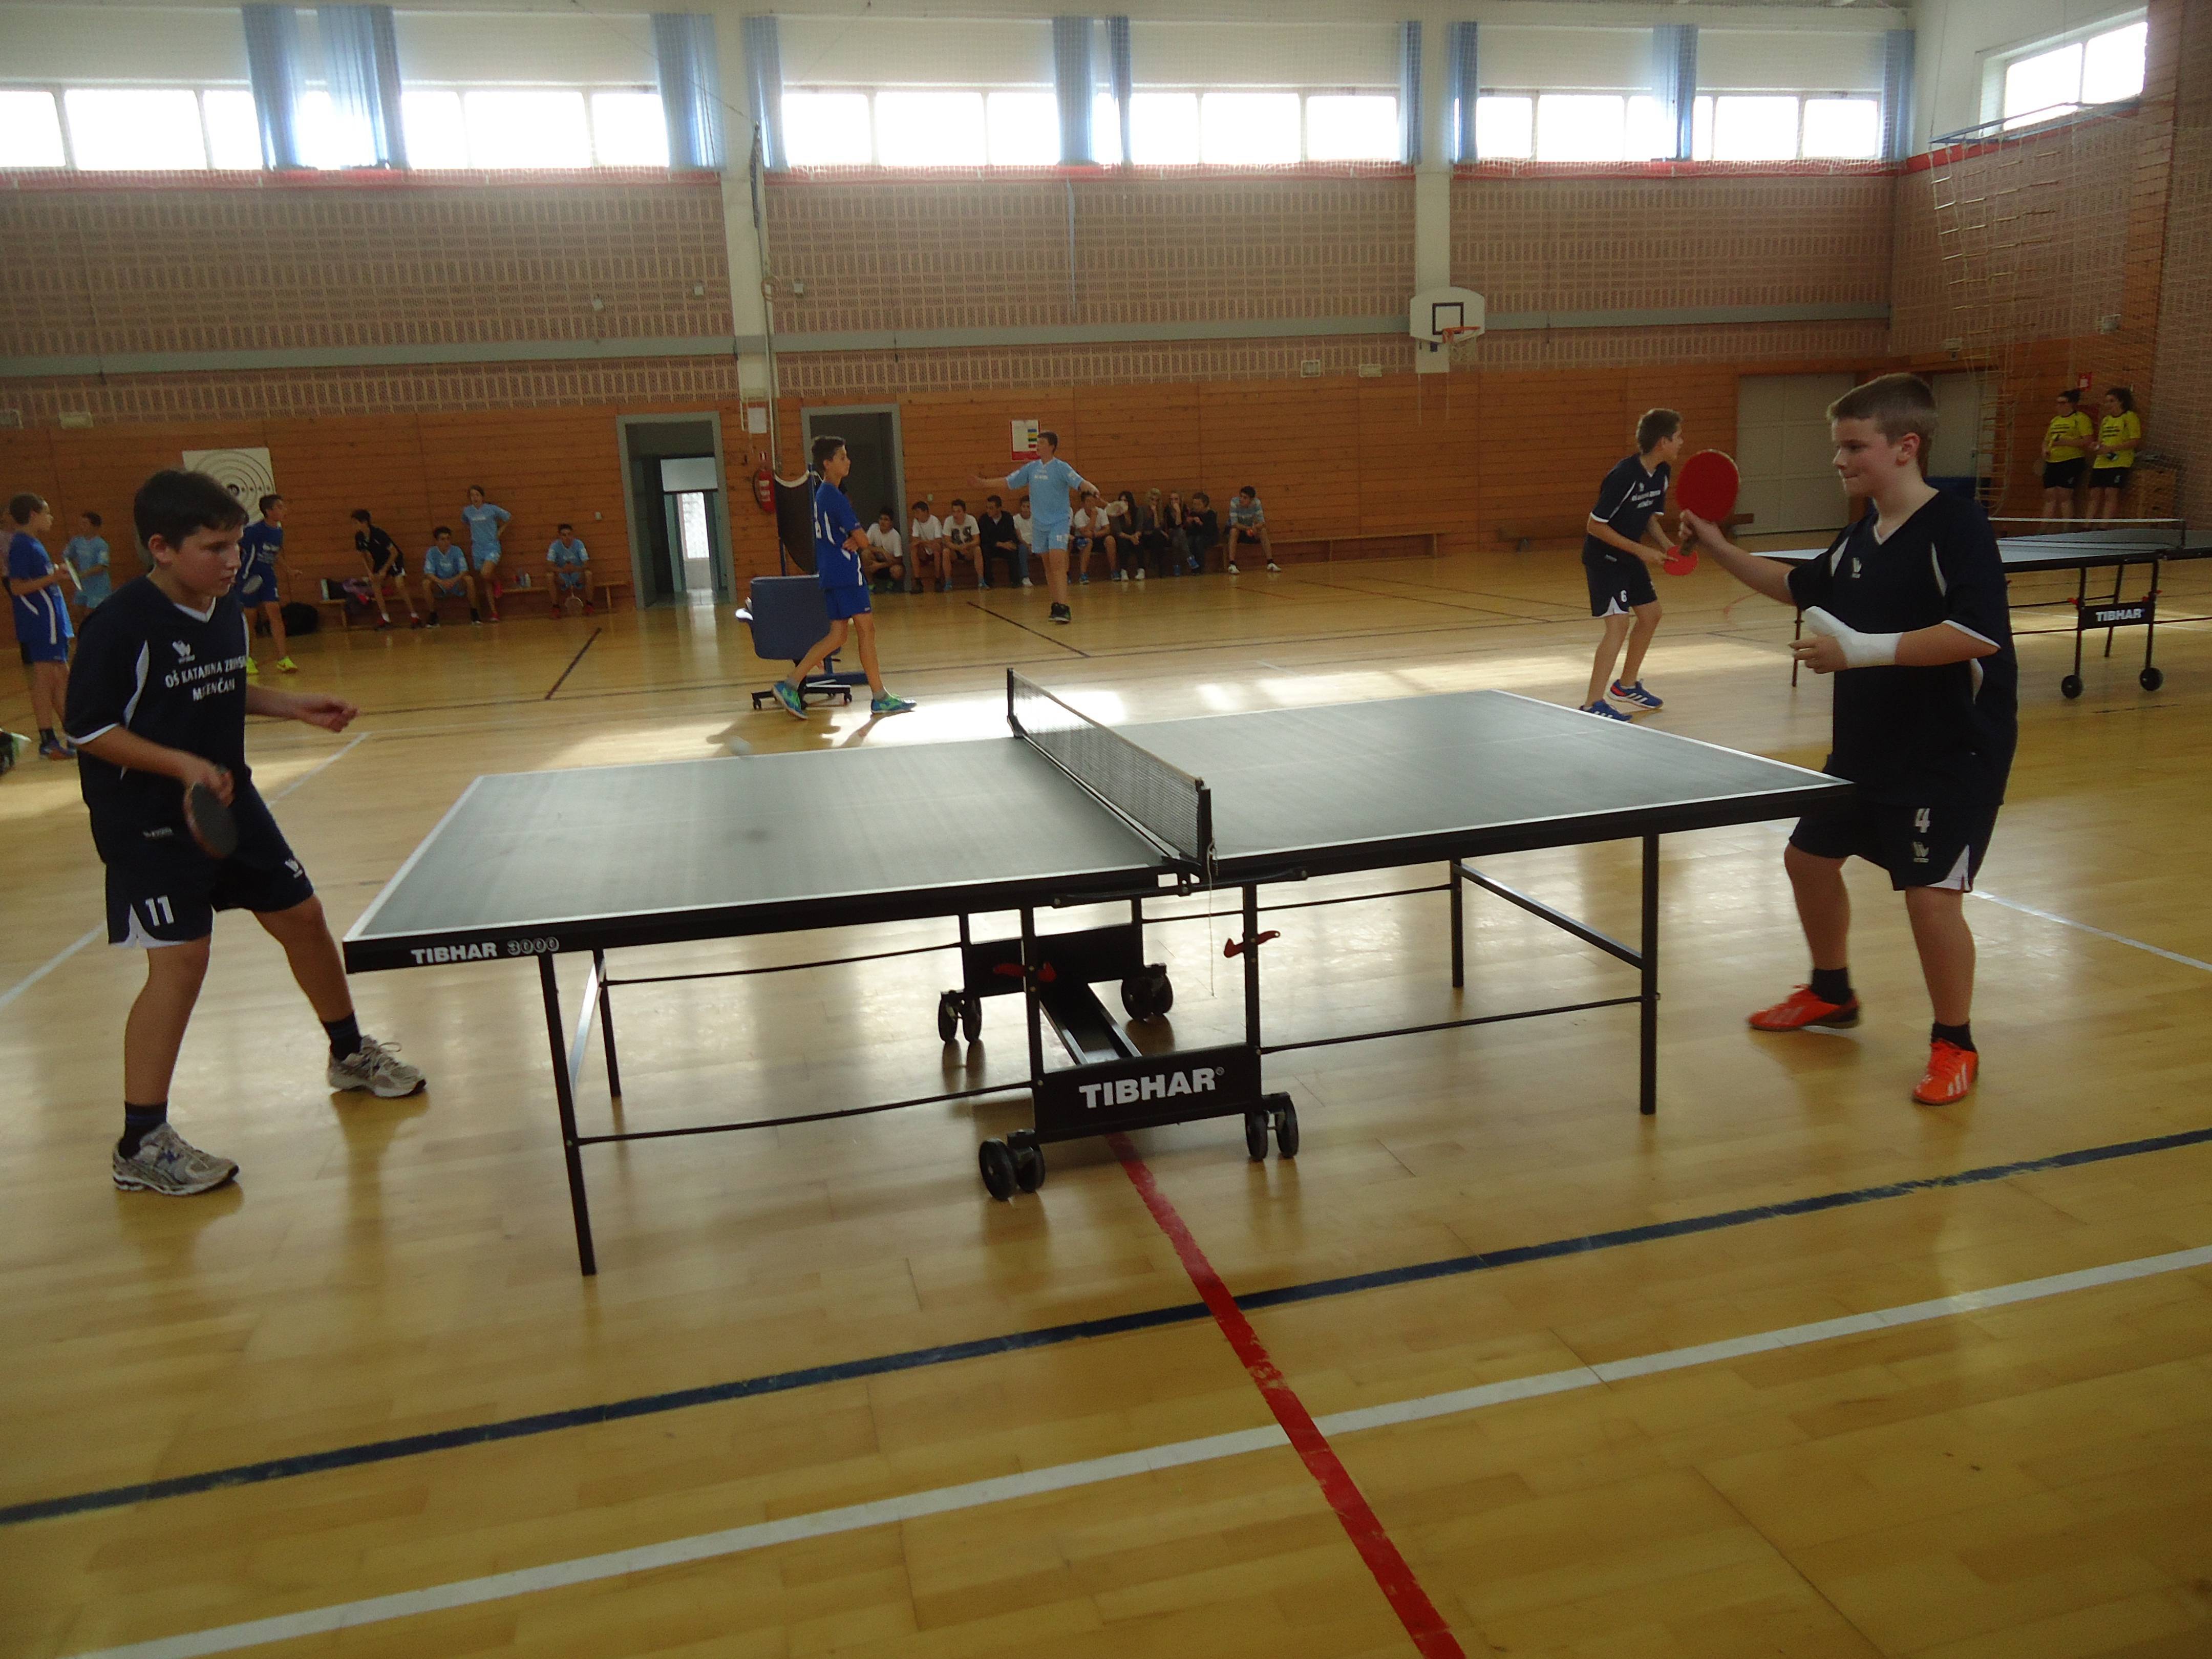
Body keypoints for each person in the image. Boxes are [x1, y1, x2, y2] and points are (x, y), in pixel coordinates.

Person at [66, 469, 425, 1197]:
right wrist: (182, 766)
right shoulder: (122, 624)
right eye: (215, 548)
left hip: (228, 797)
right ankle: (141, 1143)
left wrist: (291, 705)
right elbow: (90, 729)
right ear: (162, 548)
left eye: (236, 545)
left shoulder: (222, 606)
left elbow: (220, 683)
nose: (234, 560)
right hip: (148, 819)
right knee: (182, 962)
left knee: (304, 917)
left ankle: (348, 1053)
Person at [1682, 373, 2013, 1109]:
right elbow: (1801, 588)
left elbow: (1976, 635)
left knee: (1930, 899)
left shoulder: (1956, 527)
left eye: (1854, 446)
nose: (1840, 460)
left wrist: (1859, 651)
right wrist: (1717, 544)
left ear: (1906, 446)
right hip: (1868, 744)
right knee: (1807, 859)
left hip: (1949, 750)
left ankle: (1955, 1043)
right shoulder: (1865, 533)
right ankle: (1832, 992)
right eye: (1839, 447)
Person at [770, 436, 915, 719]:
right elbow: (863, 540)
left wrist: (854, 539)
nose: (848, 462)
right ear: (827, 463)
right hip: (846, 572)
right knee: (866, 630)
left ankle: (790, 685)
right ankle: (880, 697)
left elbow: (854, 538)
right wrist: (856, 540)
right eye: (842, 457)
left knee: (838, 635)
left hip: (830, 571)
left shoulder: (821, 494)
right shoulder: (835, 497)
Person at [1578, 409, 1683, 720]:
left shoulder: (1662, 473)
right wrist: (1641, 551)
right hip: (1604, 558)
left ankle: (1625, 686)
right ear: (1663, 442)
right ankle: (1593, 703)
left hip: (1630, 555)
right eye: (1678, 437)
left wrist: (1666, 546)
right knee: (1618, 625)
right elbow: (1595, 526)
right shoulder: (1624, 475)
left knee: (1651, 615)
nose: (1682, 443)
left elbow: (1648, 517)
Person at [980, 430, 1094, 626]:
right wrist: (984, 483)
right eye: (1038, 442)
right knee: (1048, 566)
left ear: (1051, 446)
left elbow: (1081, 482)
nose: (1037, 446)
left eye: (1041, 442)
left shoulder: (1062, 467)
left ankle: (1064, 607)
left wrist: (1091, 488)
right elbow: (1008, 482)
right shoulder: (1031, 468)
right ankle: (1056, 605)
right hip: (1040, 524)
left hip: (1059, 522)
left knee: (1058, 562)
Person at [8, 493, 74, 760]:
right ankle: (48, 740)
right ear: (33, 515)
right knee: (46, 680)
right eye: (46, 513)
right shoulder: (22, 545)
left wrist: (53, 574)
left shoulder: (33, 544)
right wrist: (53, 577)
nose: (51, 518)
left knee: (61, 678)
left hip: (52, 620)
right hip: (41, 621)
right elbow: (17, 587)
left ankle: (74, 735)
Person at [237, 494, 296, 675]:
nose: (284, 510)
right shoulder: (254, 531)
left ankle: (283, 659)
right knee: (251, 617)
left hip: (268, 577)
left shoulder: (278, 532)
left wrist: (289, 570)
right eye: (280, 507)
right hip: (249, 576)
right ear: (269, 512)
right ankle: (247, 658)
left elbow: (275, 554)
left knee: (275, 613)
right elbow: (237, 546)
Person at [350, 509, 419, 629]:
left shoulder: (379, 534)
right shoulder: (359, 537)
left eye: (356, 523)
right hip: (379, 561)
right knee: (375, 585)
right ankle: (386, 618)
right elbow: (363, 555)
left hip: (393, 560)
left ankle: (415, 617)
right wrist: (369, 572)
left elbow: (394, 552)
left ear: (365, 522)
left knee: (400, 586)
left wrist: (384, 571)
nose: (354, 526)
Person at [2086, 386, 2141, 522]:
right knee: (2094, 494)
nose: (2108, 404)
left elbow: (2135, 441)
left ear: (2121, 402)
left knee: (2110, 493)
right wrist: (2096, 446)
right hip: (2101, 462)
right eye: (2107, 402)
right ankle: (2087, 525)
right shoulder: (2106, 420)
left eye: (2112, 401)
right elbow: (2102, 440)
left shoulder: (2130, 417)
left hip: (2119, 461)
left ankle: (2104, 526)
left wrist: (2111, 449)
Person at [2039, 389, 2094, 522]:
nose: (2059, 406)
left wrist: (2066, 442)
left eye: (2063, 403)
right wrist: (2045, 450)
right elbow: (2046, 441)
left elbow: (2088, 441)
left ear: (2072, 404)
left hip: (2071, 461)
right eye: (2057, 403)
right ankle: (2043, 529)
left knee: (2064, 495)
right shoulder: (2055, 421)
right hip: (2052, 462)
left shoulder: (2081, 418)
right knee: (2050, 495)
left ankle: (2067, 528)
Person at [461, 485, 511, 613]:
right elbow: (465, 522)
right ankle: (494, 612)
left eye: (477, 495)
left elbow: (508, 517)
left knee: (486, 573)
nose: (475, 498)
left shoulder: (492, 509)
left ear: (482, 497)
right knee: (485, 581)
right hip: (477, 548)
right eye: (472, 495)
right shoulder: (467, 511)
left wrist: (500, 531)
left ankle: (497, 581)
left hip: (492, 546)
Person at [418, 526, 480, 625]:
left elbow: (464, 570)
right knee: (426, 583)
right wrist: (441, 582)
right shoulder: (432, 552)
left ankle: (474, 612)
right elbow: (428, 573)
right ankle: (433, 615)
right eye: (443, 539)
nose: (446, 542)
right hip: (440, 584)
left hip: (456, 583)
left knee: (469, 580)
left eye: (448, 539)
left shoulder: (457, 550)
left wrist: (453, 580)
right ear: (437, 541)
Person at [64, 511, 113, 620]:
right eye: (80, 524)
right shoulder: (76, 542)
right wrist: (73, 571)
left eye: (85, 524)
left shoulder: (101, 544)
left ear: (95, 526)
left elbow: (102, 566)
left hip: (98, 587)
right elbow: (67, 557)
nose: (81, 527)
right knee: (77, 613)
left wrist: (82, 574)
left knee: (91, 616)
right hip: (82, 586)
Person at [1224, 486, 1278, 573]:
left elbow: (1262, 522)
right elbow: (1234, 524)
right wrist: (1249, 528)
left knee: (1263, 531)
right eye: (1241, 496)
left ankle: (1270, 562)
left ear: (1251, 500)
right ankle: (1232, 564)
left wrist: (1255, 528)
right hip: (1238, 529)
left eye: (1245, 498)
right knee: (1234, 531)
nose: (1241, 499)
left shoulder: (1257, 503)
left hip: (1250, 529)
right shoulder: (1234, 502)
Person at [977, 495, 1026, 589]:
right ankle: (988, 581)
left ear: (999, 508)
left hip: (1005, 547)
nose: (988, 510)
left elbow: (1011, 534)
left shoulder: (1007, 517)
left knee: (1013, 551)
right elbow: (984, 538)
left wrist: (1012, 544)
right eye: (987, 508)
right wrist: (999, 544)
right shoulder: (984, 519)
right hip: (991, 547)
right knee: (985, 551)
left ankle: (1015, 581)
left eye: (991, 508)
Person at [1070, 488, 1114, 586]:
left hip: (1098, 537)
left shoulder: (1101, 512)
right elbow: (1085, 533)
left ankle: (1114, 571)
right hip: (1081, 541)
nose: (1091, 504)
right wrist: (1094, 517)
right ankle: (1083, 575)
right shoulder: (1079, 515)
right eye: (1088, 501)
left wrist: (1095, 534)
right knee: (1088, 542)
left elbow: (1107, 529)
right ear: (1083, 504)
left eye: (1093, 501)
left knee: (1110, 540)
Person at [546, 522, 591, 614]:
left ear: (573, 535)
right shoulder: (554, 546)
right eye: (564, 535)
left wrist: (575, 568)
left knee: (589, 574)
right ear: (560, 536)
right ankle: (556, 607)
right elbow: (549, 566)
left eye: (569, 534)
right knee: (549, 576)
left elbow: (587, 564)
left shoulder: (579, 544)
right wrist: (563, 570)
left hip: (577, 574)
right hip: (563, 576)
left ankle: (590, 605)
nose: (567, 537)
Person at [941, 499, 984, 590]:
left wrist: (967, 546)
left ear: (964, 512)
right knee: (945, 552)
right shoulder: (949, 521)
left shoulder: (971, 520)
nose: (956, 515)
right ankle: (948, 583)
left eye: (959, 512)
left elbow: (977, 540)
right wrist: (958, 548)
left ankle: (981, 581)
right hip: (955, 551)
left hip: (968, 550)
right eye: (954, 512)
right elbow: (947, 542)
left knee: (978, 549)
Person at [905, 500, 942, 594]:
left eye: (917, 513)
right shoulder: (916, 522)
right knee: (914, 550)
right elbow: (915, 540)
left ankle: (938, 580)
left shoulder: (934, 521)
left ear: (925, 512)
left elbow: (938, 540)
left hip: (934, 549)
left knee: (937, 548)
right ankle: (918, 582)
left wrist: (921, 542)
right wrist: (926, 543)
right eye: (915, 513)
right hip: (924, 550)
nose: (916, 516)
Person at [863, 511, 905, 592]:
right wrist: (881, 550)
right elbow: (865, 546)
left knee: (898, 570)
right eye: (881, 519)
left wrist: (879, 566)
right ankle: (871, 585)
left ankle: (891, 583)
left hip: (888, 565)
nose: (882, 522)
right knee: (865, 554)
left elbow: (899, 560)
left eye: (886, 520)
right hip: (875, 561)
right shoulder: (874, 528)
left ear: (891, 523)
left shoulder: (895, 536)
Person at [1183, 491, 1220, 573]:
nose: (1195, 507)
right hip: (1196, 537)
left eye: (1198, 505)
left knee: (1199, 541)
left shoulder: (1211, 514)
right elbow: (1190, 532)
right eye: (1194, 504)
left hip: (1210, 537)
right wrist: (1189, 524)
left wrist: (1200, 523)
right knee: (1190, 541)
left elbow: (1210, 531)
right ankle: (1193, 566)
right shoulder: (1193, 514)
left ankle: (1200, 566)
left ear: (1205, 504)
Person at [1011, 496, 1036, 587]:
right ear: (1020, 507)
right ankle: (1025, 577)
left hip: (1035, 543)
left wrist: (1034, 545)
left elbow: (1038, 534)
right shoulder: (1015, 519)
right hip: (1023, 544)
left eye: (1028, 507)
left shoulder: (1036, 518)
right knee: (1022, 549)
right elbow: (1019, 537)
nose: (1025, 509)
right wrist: (1028, 546)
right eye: (1024, 506)